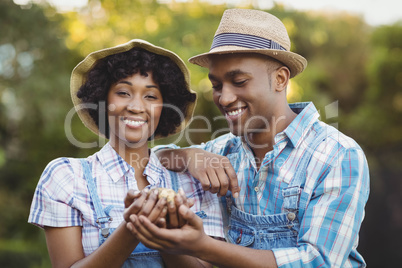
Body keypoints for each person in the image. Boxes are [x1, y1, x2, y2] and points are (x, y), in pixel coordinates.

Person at [125, 9, 370, 268]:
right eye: (217, 85)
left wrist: (204, 247)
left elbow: (318, 261)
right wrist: (188, 156)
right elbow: (157, 157)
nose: (225, 98)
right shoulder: (222, 150)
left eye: (239, 81)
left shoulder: (337, 154)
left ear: (280, 79)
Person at [28, 39, 224, 268]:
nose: (136, 106)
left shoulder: (193, 179)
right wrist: (131, 228)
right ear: (103, 99)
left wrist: (165, 235)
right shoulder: (67, 177)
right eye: (123, 92)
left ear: (165, 106)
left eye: (151, 96)